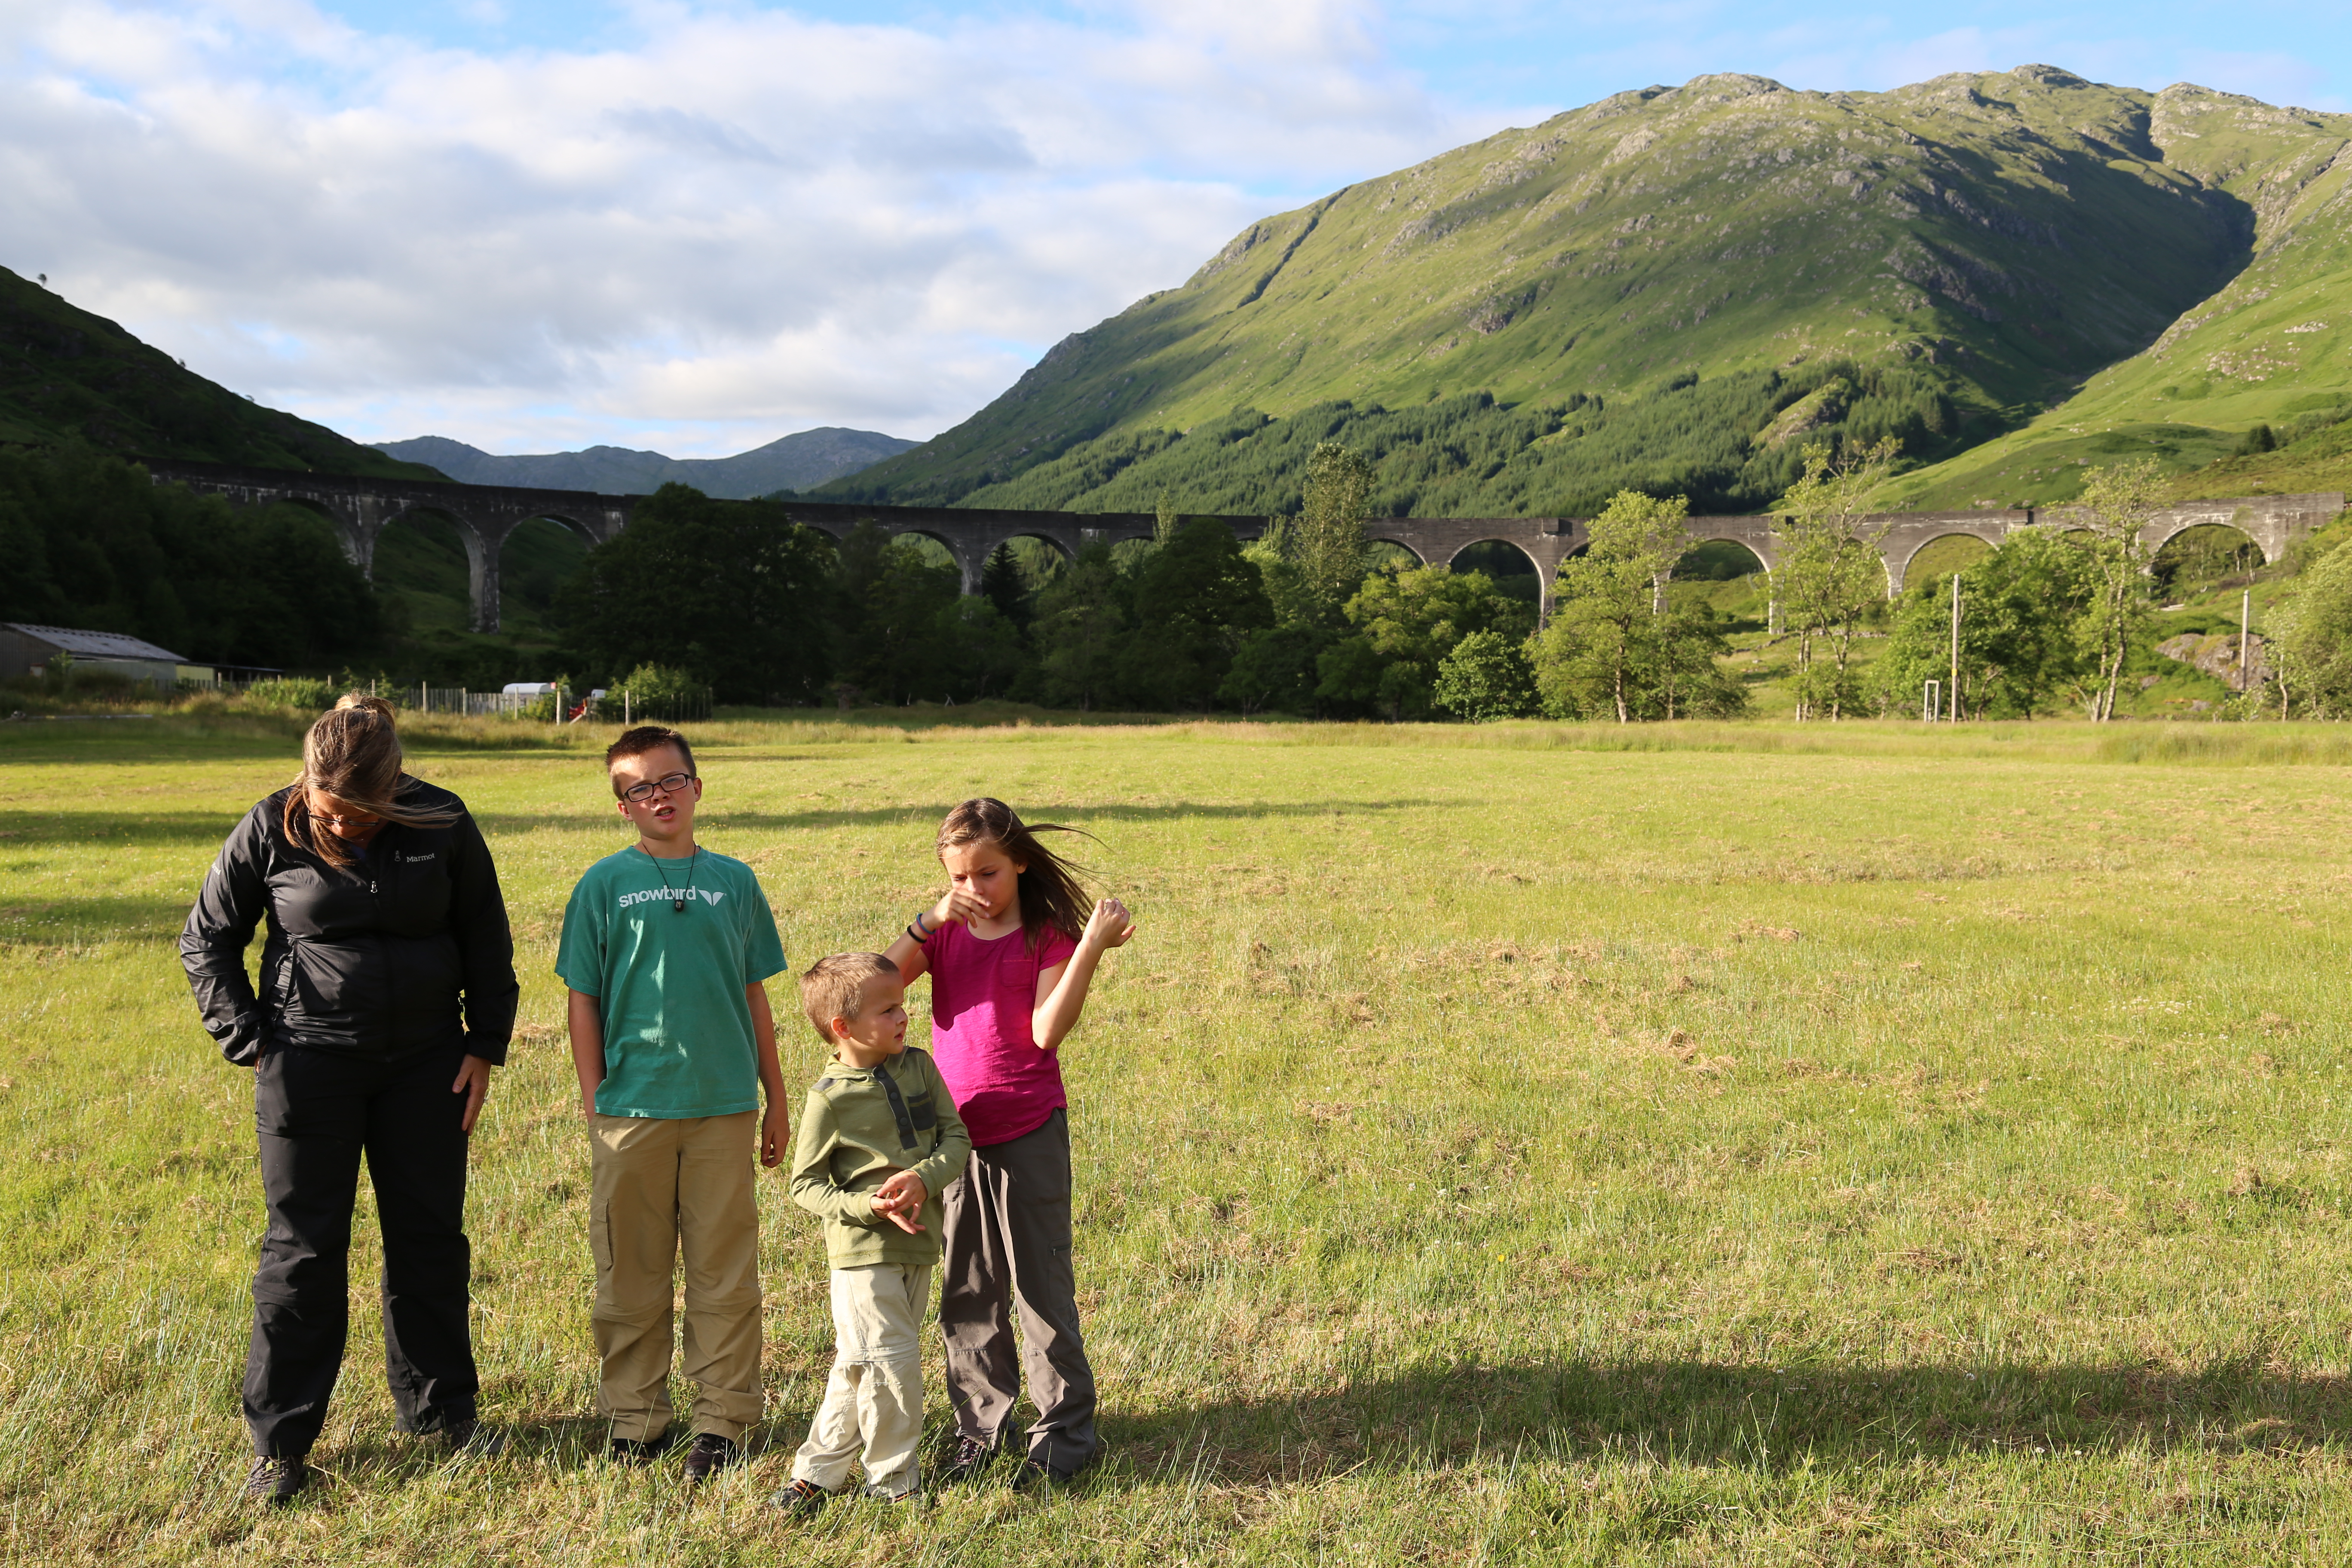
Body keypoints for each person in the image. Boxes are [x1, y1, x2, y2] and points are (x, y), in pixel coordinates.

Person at [179, 693, 518, 1507]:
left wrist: (485, 1044)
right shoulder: (269, 825)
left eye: (362, 815)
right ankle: (283, 1443)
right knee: (303, 1251)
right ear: (307, 785)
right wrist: (251, 1038)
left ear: (395, 786)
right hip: (309, 1064)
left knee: (429, 1238)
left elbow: (485, 931)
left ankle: (442, 1416)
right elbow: (208, 939)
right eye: (330, 813)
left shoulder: (441, 821)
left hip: (428, 1066)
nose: (343, 829)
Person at [555, 725, 790, 1484]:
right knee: (631, 1270)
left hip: (724, 1106)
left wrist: (776, 1096)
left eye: (670, 781)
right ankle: (635, 1416)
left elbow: (754, 996)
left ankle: (723, 1417)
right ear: (622, 806)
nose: (658, 796)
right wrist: (598, 1102)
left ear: (696, 788)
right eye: (638, 788)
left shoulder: (737, 882)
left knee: (725, 1271)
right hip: (633, 1110)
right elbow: (582, 1000)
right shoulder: (602, 886)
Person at [882, 798, 1135, 1490]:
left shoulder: (1048, 937)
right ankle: (981, 1431)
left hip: (1027, 1135)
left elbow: (1047, 1032)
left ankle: (1063, 1439)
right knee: (969, 1289)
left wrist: (1088, 948)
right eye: (958, 878)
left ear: (1019, 862)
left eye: (987, 874)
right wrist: (926, 922)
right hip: (953, 1142)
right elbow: (875, 984)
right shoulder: (943, 933)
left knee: (1039, 1286)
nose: (974, 891)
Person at [771, 954, 972, 1515]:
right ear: (844, 1027)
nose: (903, 1016)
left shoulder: (921, 1068)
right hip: (862, 1256)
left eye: (901, 1003)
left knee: (859, 1365)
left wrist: (924, 1179)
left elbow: (956, 1140)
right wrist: (868, 1206)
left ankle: (815, 1476)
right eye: (887, 1009)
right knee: (894, 1365)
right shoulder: (828, 1100)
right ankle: (893, 1483)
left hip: (920, 1246)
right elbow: (805, 1186)